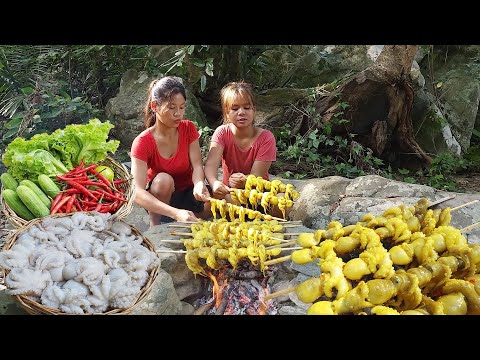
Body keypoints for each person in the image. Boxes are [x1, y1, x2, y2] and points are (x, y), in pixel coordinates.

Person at [130, 76, 210, 226]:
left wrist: (199, 183)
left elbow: (198, 166)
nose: (178, 113)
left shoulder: (188, 128)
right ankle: (157, 225)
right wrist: (175, 213)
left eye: (182, 107)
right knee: (163, 180)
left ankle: (188, 218)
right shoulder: (143, 142)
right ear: (155, 106)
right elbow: (136, 192)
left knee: (212, 203)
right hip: (161, 199)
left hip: (188, 192)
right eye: (172, 107)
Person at [204, 81, 278, 207]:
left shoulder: (266, 137)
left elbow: (257, 175)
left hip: (260, 195)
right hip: (230, 193)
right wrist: (214, 183)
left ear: (254, 110)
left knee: (281, 201)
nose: (241, 112)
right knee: (221, 200)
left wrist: (244, 181)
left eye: (247, 108)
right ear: (226, 112)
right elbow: (211, 165)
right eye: (235, 108)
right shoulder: (222, 133)